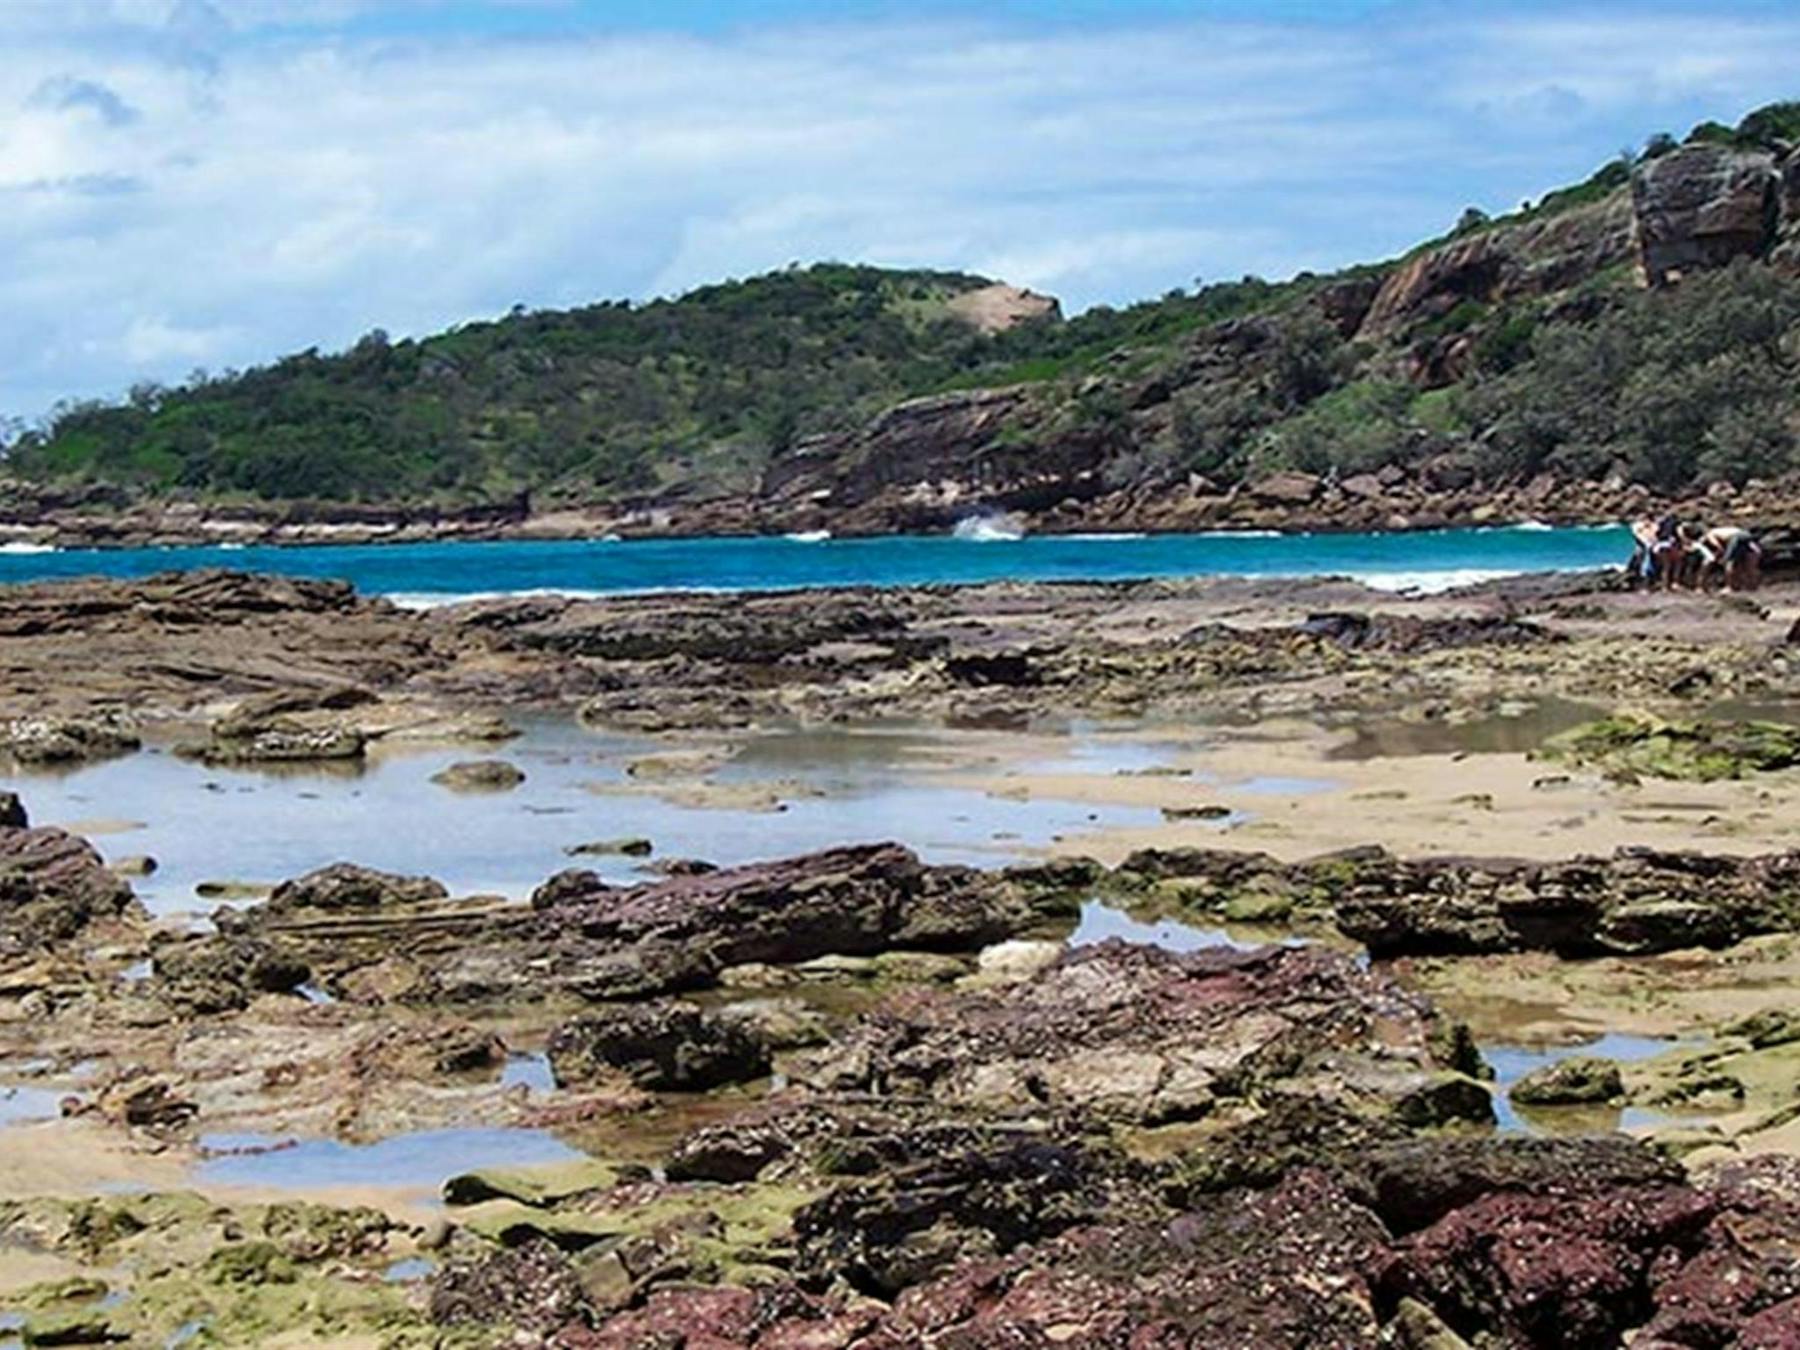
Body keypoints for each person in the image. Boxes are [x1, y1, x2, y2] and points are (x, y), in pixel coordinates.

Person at [1695, 524, 1762, 592]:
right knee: (1742, 564)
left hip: (1736, 538)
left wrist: (1722, 557)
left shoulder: (1710, 534)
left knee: (1728, 563)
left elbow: (1718, 547)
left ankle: (1728, 587)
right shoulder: (1722, 533)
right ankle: (1751, 586)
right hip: (1744, 536)